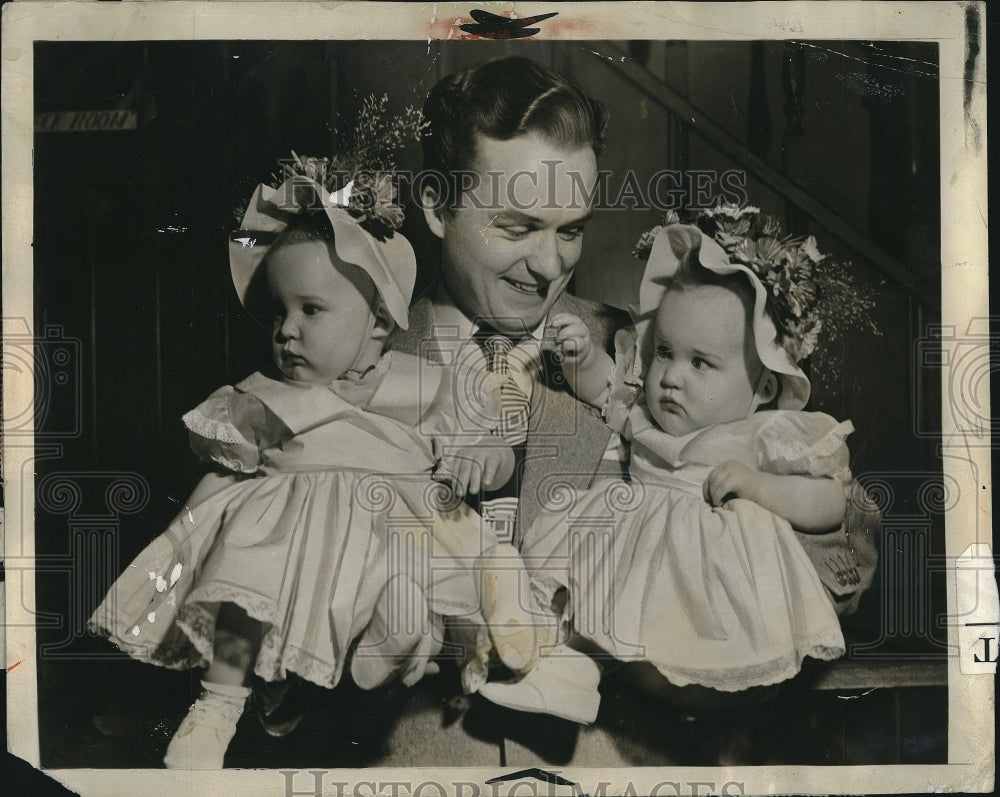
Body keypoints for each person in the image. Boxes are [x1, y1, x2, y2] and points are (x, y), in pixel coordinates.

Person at [390, 56, 876, 690]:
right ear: (436, 205)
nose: (546, 264)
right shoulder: (352, 357)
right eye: (517, 226)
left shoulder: (644, 352)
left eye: (571, 231)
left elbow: (842, 545)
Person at [88, 168, 519, 768]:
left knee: (409, 586)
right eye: (278, 312)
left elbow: (493, 449)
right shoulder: (267, 395)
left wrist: (480, 457)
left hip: (386, 531)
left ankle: (378, 657)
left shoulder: (424, 386)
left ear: (377, 321)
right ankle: (219, 704)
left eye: (311, 309)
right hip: (289, 532)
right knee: (245, 573)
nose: (286, 330)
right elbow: (227, 456)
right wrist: (222, 488)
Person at [479, 223, 853, 723]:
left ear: (763, 387)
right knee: (583, 594)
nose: (672, 377)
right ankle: (564, 674)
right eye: (664, 353)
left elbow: (830, 500)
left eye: (701, 363)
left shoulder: (761, 434)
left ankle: (674, 688)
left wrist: (760, 486)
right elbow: (601, 391)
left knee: (691, 635)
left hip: (708, 560)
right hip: (635, 534)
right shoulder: (647, 416)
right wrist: (582, 358)